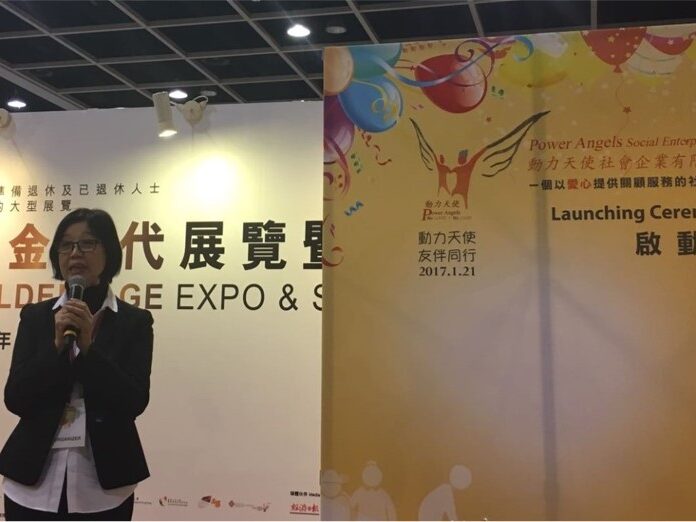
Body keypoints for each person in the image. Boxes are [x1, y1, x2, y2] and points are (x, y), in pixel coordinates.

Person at [0, 208, 154, 521]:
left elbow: (134, 401)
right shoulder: (36, 317)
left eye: (87, 243)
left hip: (103, 488)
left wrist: (88, 348)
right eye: (66, 245)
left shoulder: (134, 322)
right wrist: (56, 346)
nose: (75, 253)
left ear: (109, 252)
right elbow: (15, 398)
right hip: (32, 483)